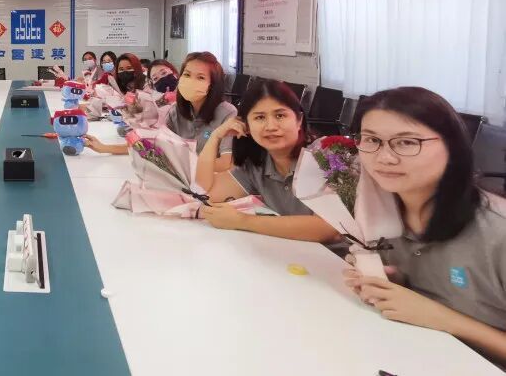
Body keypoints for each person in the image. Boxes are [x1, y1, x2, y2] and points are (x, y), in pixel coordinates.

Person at [343, 87, 506, 367]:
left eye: (407, 142)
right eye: (371, 140)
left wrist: (442, 317)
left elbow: (434, 315)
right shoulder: (379, 210)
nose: (384, 158)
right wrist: (392, 286)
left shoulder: (497, 232)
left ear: (452, 146)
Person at [192, 79, 339, 243]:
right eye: (260, 117)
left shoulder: (325, 156)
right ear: (246, 126)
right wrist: (215, 137)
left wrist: (243, 221)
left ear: (299, 120)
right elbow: (202, 193)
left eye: (280, 115)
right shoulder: (257, 166)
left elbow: (328, 228)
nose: (271, 126)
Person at [85, 58, 180, 156]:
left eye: (164, 73)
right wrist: (104, 148)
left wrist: (104, 148)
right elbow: (149, 144)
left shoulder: (177, 103)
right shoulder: (158, 101)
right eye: (155, 78)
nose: (161, 79)